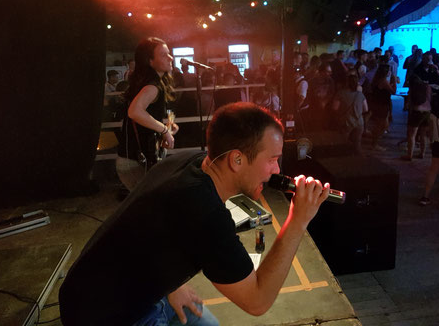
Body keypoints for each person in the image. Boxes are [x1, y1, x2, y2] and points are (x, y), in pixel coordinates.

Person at [59, 102, 331, 326]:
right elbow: (257, 301)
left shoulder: (190, 160)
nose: (276, 170)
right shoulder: (205, 212)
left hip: (101, 289)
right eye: (271, 159)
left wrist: (170, 285)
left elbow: (143, 232)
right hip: (104, 316)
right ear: (236, 160)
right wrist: (298, 220)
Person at [115, 37, 179, 193]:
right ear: (150, 61)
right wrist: (164, 130)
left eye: (168, 53)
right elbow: (134, 112)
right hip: (135, 161)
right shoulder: (152, 86)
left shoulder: (150, 83)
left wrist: (164, 128)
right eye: (163, 55)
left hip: (135, 158)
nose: (170, 58)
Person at [332, 74, 368, 155]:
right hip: (359, 121)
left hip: (345, 121)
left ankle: (344, 158)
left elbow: (335, 108)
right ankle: (357, 159)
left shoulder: (340, 93)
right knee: (357, 143)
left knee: (342, 143)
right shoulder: (360, 94)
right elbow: (366, 109)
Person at [401, 76, 431, 161]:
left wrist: (408, 109)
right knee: (423, 135)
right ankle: (422, 153)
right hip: (427, 112)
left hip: (416, 112)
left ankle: (409, 155)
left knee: (412, 134)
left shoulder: (412, 88)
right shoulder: (427, 87)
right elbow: (429, 98)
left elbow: (409, 102)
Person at [367, 64, 396, 151]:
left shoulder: (377, 79)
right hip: (382, 105)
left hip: (378, 104)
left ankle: (374, 141)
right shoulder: (383, 81)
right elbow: (393, 91)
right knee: (380, 125)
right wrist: (394, 81)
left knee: (382, 125)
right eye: (389, 70)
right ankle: (374, 144)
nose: (390, 72)